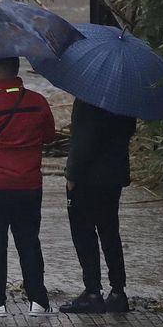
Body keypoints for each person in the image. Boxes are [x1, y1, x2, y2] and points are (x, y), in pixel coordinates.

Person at [0, 56, 57, 317]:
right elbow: (49, 136)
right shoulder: (38, 101)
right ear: (16, 69)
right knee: (29, 242)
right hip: (29, 185)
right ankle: (38, 301)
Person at [59, 99, 138, 314]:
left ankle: (93, 291)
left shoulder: (88, 99)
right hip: (113, 175)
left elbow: (83, 140)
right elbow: (129, 129)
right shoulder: (125, 99)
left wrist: (71, 175)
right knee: (110, 231)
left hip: (88, 177)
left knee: (84, 233)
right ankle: (118, 292)